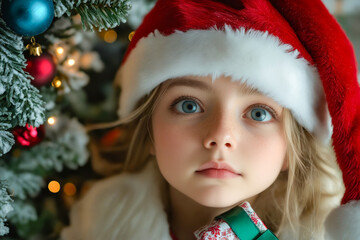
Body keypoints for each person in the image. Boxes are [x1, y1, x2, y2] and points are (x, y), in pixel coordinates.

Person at [61, 0, 360, 239]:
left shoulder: (323, 233)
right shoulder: (99, 221)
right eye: (189, 105)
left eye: (259, 113)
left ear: (291, 150)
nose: (220, 136)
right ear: (149, 131)